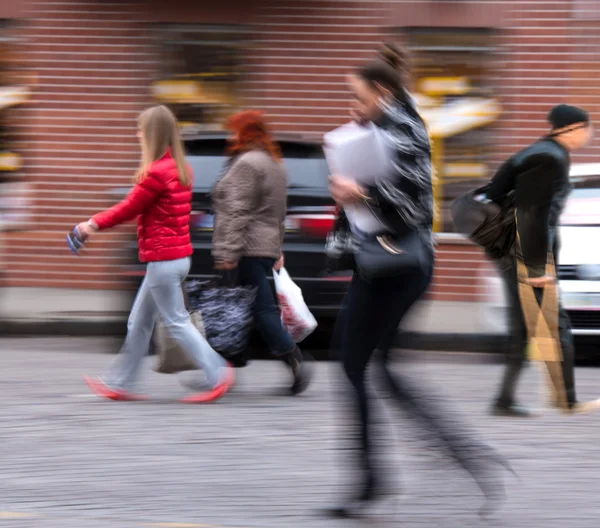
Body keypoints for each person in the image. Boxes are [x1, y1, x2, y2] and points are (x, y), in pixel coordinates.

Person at [324, 42, 513, 519]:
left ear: (382, 91)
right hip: (390, 265)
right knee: (377, 369)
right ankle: (466, 456)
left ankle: (372, 483)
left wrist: (357, 190)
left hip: (396, 266)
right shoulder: (386, 125)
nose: (354, 104)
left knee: (352, 365)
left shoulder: (403, 128)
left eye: (359, 95)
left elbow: (412, 202)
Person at [77, 105, 234, 403]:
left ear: (151, 134)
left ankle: (218, 373)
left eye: (139, 130)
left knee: (176, 322)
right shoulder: (180, 168)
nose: (136, 134)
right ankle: (120, 382)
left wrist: (92, 224)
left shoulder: (155, 174)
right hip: (176, 257)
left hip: (163, 260)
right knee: (139, 322)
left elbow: (127, 208)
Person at [486, 104, 598, 417]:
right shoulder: (551, 158)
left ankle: (506, 399)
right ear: (571, 128)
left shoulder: (538, 153)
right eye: (586, 127)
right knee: (554, 324)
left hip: (514, 251)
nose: (589, 134)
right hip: (527, 254)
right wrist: (536, 267)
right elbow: (533, 214)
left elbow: (497, 196)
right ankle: (565, 400)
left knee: (526, 326)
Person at [211, 110, 313, 395]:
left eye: (233, 131)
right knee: (237, 309)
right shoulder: (274, 163)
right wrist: (276, 248)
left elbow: (237, 211)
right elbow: (279, 213)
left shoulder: (247, 163)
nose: (230, 137)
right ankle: (223, 371)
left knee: (255, 309)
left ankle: (291, 354)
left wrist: (228, 252)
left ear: (244, 133)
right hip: (263, 247)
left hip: (245, 247)